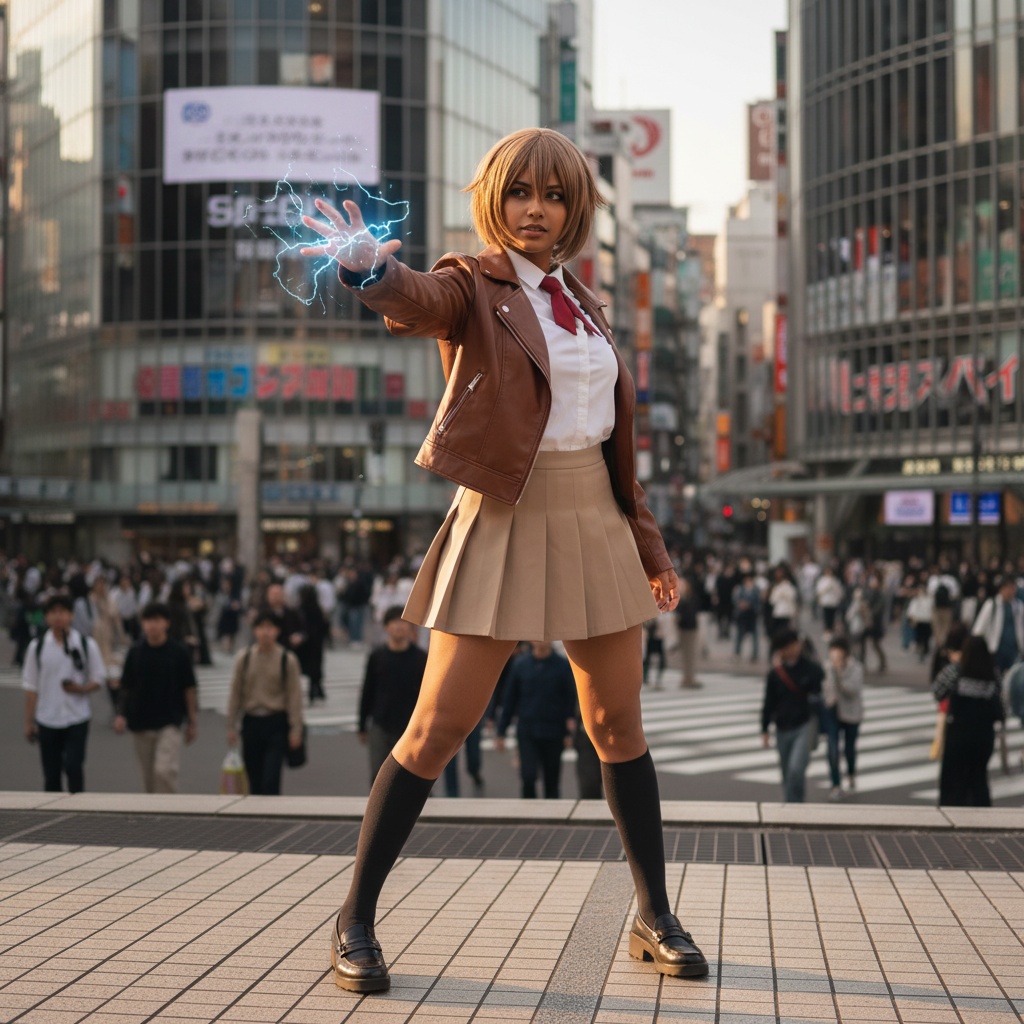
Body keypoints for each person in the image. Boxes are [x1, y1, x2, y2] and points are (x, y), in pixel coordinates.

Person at [301, 127, 707, 991]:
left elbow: (611, 443)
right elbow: (418, 301)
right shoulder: (470, 284)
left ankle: (653, 914)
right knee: (437, 728)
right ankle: (354, 919)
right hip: (507, 514)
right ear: (496, 200)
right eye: (521, 192)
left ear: (574, 211)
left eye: (554, 196)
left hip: (595, 521)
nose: (536, 209)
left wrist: (649, 546)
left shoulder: (583, 301)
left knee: (616, 728)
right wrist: (371, 269)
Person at [21, 593, 107, 793]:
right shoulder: (38, 647)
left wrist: (81, 689)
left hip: (77, 716)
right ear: (46, 617)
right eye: (53, 612)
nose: (58, 617)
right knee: (51, 774)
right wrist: (28, 722)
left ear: (71, 615)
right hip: (47, 717)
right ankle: (54, 813)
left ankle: (77, 808)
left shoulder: (86, 645)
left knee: (74, 767)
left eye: (63, 612)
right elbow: (31, 686)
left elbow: (98, 678)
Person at [114, 602, 198, 793]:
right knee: (148, 779)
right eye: (148, 620)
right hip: (140, 721)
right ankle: (154, 818)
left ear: (166, 623)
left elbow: (189, 687)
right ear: (143, 623)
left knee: (164, 770)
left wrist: (192, 721)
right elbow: (126, 686)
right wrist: (120, 714)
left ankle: (170, 812)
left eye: (157, 620)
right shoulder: (135, 652)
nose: (153, 625)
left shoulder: (179, 652)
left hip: (170, 720)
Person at [225, 611, 304, 796]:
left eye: (270, 627)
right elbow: (235, 694)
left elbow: (295, 697)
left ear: (277, 631)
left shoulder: (287, 659)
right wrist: (231, 726)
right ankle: (257, 819)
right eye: (261, 627)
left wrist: (295, 730)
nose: (265, 632)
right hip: (251, 721)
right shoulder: (244, 659)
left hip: (276, 723)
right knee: (254, 777)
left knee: (271, 777)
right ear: (254, 631)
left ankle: (273, 816)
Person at [496, 641, 577, 799]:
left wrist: (569, 732)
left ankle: (552, 818)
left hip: (554, 730)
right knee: (528, 776)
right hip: (527, 730)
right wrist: (501, 732)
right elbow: (510, 699)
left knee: (552, 780)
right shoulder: (521, 664)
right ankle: (528, 814)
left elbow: (570, 699)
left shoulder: (562, 665)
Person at [357, 606, 428, 784]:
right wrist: (362, 724)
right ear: (386, 627)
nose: (399, 626)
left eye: (404, 622)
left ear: (411, 628)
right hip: (380, 723)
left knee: (411, 777)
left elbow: (427, 696)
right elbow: (368, 690)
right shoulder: (377, 656)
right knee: (379, 775)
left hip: (410, 726)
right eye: (394, 622)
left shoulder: (421, 658)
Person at [933, 635, 1005, 806]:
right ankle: (981, 812)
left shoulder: (955, 671)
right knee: (979, 777)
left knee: (954, 778)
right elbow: (1001, 705)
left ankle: (952, 810)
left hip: (958, 733)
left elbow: (937, 692)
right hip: (983, 736)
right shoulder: (993, 675)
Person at [760, 628, 824, 804]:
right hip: (782, 727)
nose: (793, 649)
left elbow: (820, 691)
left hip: (804, 724)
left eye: (795, 644)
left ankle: (795, 807)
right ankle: (791, 805)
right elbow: (768, 702)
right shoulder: (775, 674)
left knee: (796, 768)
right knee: (786, 772)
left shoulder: (810, 668)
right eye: (788, 646)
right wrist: (764, 728)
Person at [820, 637, 864, 800]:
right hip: (832, 712)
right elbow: (824, 689)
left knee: (849, 749)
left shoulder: (856, 668)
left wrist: (838, 673)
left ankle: (851, 773)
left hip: (852, 714)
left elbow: (852, 690)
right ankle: (836, 784)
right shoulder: (826, 667)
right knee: (832, 749)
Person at [972, 575, 1024, 677]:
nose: (1011, 591)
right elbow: (979, 627)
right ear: (1002, 589)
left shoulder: (1019, 607)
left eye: (1013, 588)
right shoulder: (992, 604)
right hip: (996, 648)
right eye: (1008, 588)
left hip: (1014, 649)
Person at [295, 583, 330, 703]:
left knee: (311, 668)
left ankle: (316, 690)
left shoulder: (303, 609)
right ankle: (317, 690)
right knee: (316, 667)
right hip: (315, 643)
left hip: (308, 643)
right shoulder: (316, 608)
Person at [675, 577, 702, 689]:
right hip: (683, 628)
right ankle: (686, 677)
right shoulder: (680, 598)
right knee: (685, 655)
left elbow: (691, 612)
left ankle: (690, 677)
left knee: (690, 654)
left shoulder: (691, 598)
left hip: (690, 628)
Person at [732, 572, 761, 661]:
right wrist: (741, 604)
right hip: (742, 615)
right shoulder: (740, 589)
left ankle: (755, 654)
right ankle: (737, 652)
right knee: (739, 635)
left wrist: (750, 605)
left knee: (755, 636)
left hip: (752, 615)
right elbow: (735, 599)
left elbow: (759, 603)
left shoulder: (756, 590)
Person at [815, 566, 845, 639]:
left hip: (833, 602)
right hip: (825, 602)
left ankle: (831, 630)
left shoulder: (835, 580)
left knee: (832, 617)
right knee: (826, 617)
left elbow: (839, 592)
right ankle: (827, 630)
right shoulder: (822, 581)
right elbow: (819, 592)